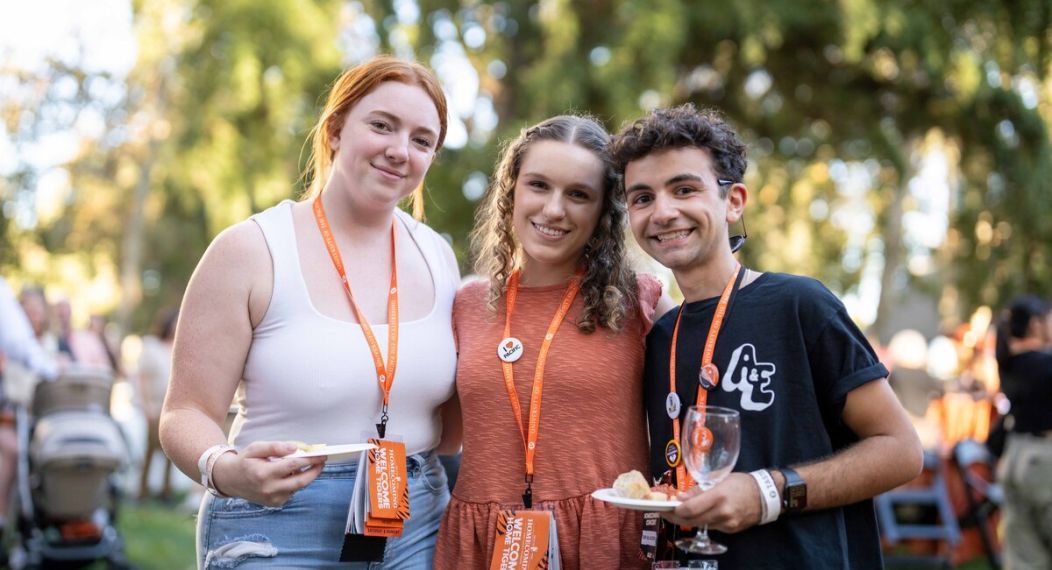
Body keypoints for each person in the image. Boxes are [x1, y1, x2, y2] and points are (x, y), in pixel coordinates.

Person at [159, 55, 460, 568]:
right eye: (382, 125)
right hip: (275, 519)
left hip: (416, 516)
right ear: (337, 129)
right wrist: (226, 469)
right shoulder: (249, 250)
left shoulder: (438, 255)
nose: (398, 150)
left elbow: (453, 421)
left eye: (421, 140)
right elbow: (183, 414)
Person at [611, 104, 924, 568]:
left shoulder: (799, 305)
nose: (663, 211)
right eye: (642, 198)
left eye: (684, 189)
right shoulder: (659, 339)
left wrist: (768, 493)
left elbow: (901, 451)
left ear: (734, 201)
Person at [434, 115, 673, 569]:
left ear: (604, 211)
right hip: (484, 545)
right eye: (539, 185)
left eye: (578, 194)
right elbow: (443, 438)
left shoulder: (640, 299)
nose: (554, 209)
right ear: (513, 191)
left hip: (606, 541)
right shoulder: (464, 305)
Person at [994, 294, 1052, 570]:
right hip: (1044, 460)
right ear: (1035, 323)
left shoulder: (1009, 363)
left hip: (1015, 455)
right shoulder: (1044, 364)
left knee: (1024, 559)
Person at [0, 276, 57, 546]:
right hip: (13, 417)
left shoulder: (49, 345)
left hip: (40, 421)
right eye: (28, 311)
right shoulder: (15, 347)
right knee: (13, 451)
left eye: (37, 311)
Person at [137, 308, 177, 501]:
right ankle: (142, 489)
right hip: (155, 407)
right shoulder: (152, 346)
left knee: (172, 450)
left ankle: (166, 489)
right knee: (151, 449)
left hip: (173, 408)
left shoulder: (180, 346)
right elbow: (142, 379)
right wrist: (146, 406)